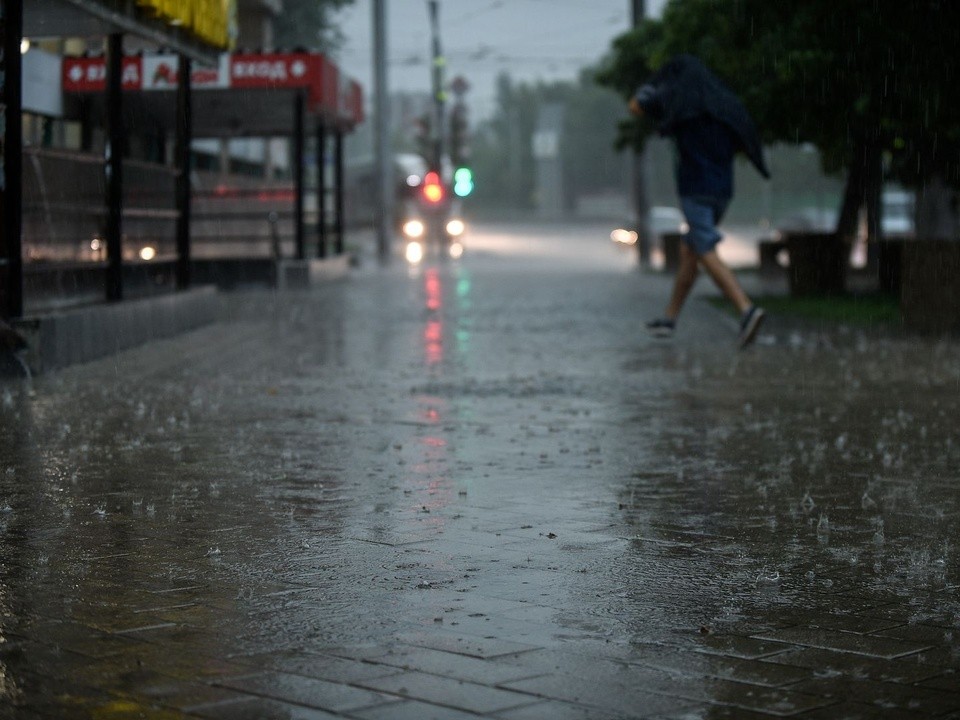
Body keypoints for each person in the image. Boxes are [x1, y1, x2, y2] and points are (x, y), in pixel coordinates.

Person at [629, 55, 769, 348]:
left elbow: (636, 107)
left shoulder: (680, 99)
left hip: (695, 188)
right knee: (690, 251)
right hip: (723, 190)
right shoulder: (722, 104)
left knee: (704, 247)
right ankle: (669, 319)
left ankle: (746, 310)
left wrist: (651, 87)